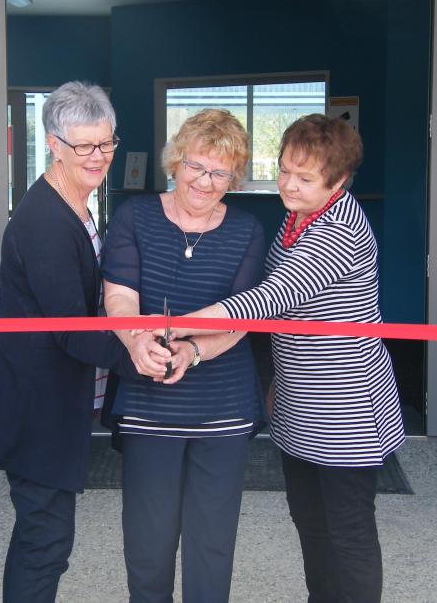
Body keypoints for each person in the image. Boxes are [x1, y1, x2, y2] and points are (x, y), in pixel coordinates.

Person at [167, 114, 405, 603]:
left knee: (349, 531)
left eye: (305, 178)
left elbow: (272, 297)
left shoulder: (341, 229)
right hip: (301, 399)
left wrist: (173, 324)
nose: (288, 186)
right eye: (284, 170)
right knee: (311, 522)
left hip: (347, 407)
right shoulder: (300, 217)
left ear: (337, 182)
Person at [0, 81, 160, 603]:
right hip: (34, 409)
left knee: (44, 537)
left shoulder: (75, 201)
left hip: (48, 403)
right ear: (54, 144)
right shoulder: (47, 221)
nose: (99, 157)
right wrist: (138, 353)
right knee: (45, 541)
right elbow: (73, 329)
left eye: (107, 143)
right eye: (84, 146)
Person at [101, 108, 266, 603]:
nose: (205, 180)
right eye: (196, 166)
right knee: (148, 546)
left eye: (220, 172)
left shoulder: (248, 230)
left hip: (224, 409)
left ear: (233, 177)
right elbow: (120, 295)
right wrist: (136, 342)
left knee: (212, 548)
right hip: (149, 407)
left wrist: (192, 349)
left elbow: (244, 316)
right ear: (176, 162)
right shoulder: (136, 215)